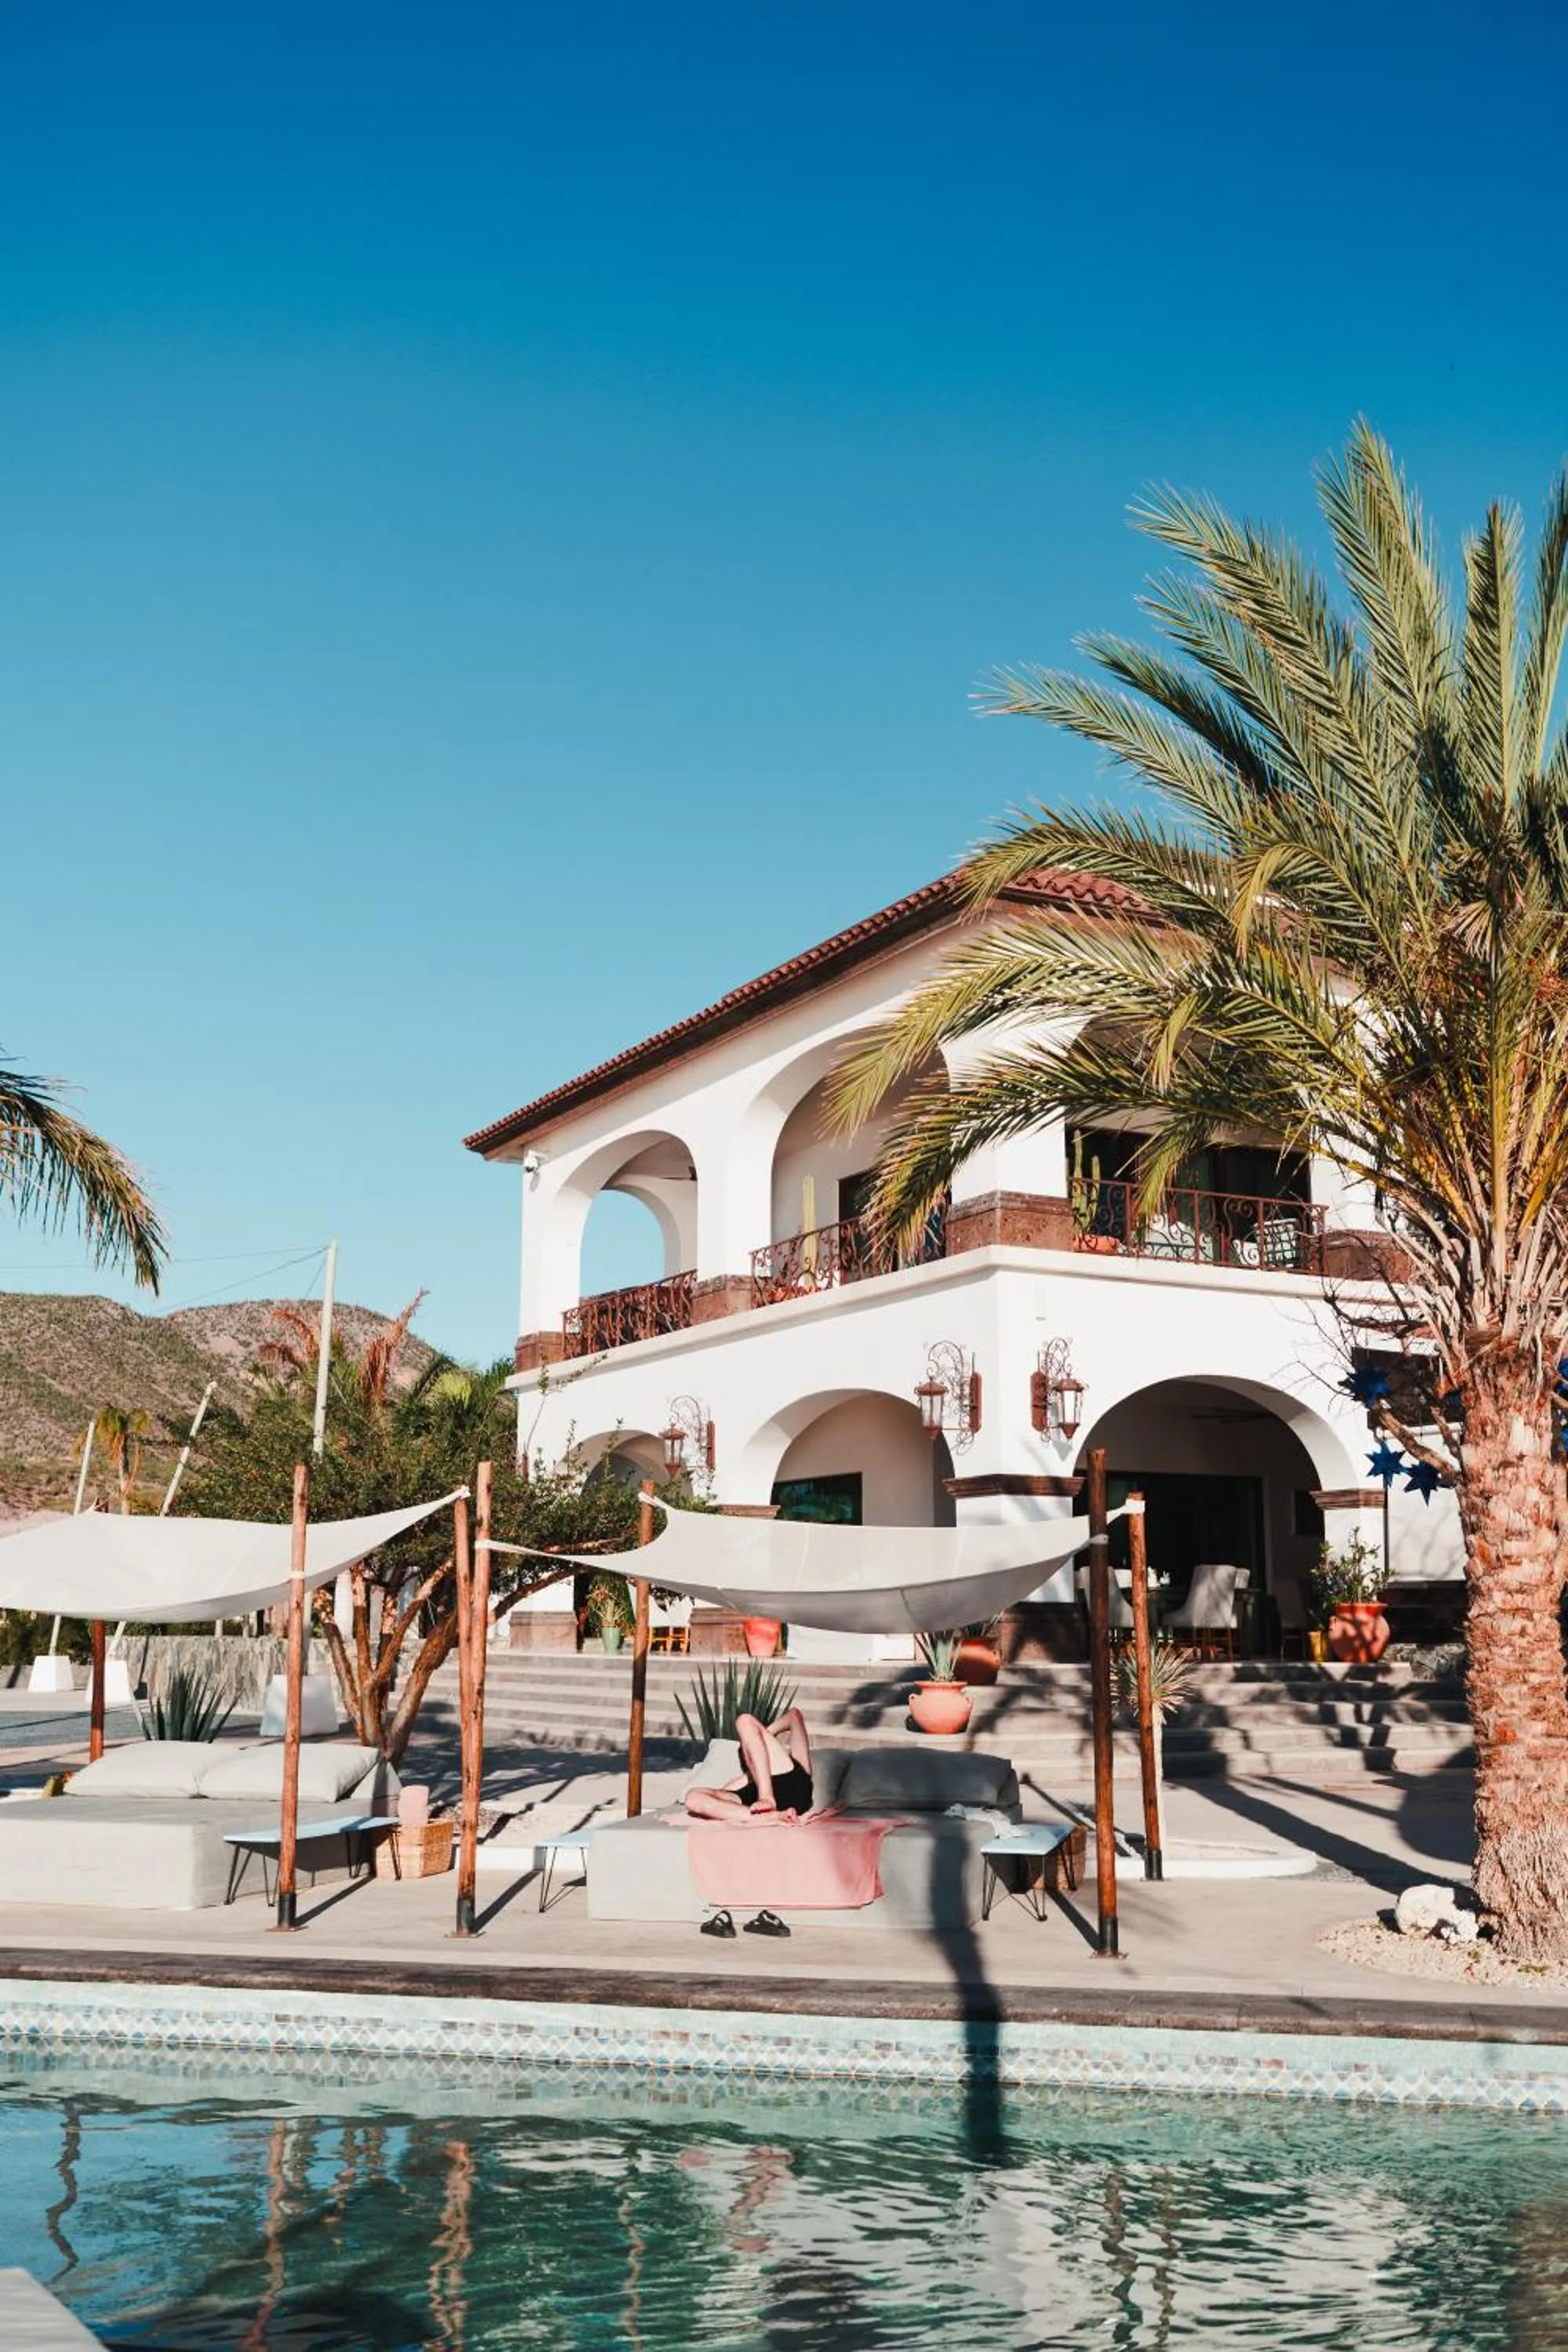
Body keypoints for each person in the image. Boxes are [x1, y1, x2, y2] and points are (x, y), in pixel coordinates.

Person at [684, 1704, 813, 1822]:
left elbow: (794, 1715)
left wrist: (765, 1733)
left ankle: (766, 1798)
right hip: (755, 1808)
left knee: (744, 1721)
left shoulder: (794, 1769)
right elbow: (715, 1799)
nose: (750, 1750)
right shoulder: (741, 1782)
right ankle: (773, 1817)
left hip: (791, 1791)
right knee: (692, 1798)